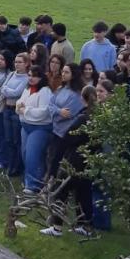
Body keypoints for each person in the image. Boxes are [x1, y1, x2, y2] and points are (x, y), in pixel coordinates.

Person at [41, 79, 97, 237]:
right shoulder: (97, 117)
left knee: (61, 192)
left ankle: (57, 227)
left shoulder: (82, 118)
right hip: (89, 161)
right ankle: (84, 225)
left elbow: (66, 140)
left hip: (74, 160)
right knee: (83, 193)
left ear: (82, 99)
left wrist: (54, 167)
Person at [17, 65, 53, 193]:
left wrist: (25, 110)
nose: (31, 78)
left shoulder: (45, 91)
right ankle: (28, 180)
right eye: (30, 75)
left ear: (41, 78)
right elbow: (19, 102)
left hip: (40, 128)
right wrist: (20, 107)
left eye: (35, 76)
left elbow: (43, 112)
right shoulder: (28, 89)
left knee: (33, 155)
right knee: (24, 154)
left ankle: (34, 185)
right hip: (25, 126)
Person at [1, 53, 30, 178]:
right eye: (16, 62)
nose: (17, 64)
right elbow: (3, 87)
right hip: (7, 109)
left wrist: (6, 91)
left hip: (16, 111)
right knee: (8, 139)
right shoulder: (12, 74)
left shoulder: (26, 78)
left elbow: (17, 93)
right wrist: (7, 91)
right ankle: (9, 164)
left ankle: (17, 167)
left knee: (16, 140)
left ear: (26, 64)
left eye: (20, 62)